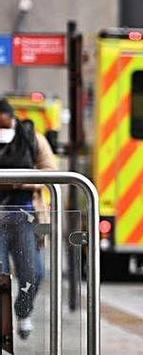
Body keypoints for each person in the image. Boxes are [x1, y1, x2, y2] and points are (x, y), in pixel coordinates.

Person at [0, 98, 57, 339]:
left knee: (34, 273)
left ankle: (23, 311)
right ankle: (3, 327)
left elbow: (52, 171)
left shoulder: (32, 138)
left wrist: (20, 181)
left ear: (13, 119)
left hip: (25, 216)